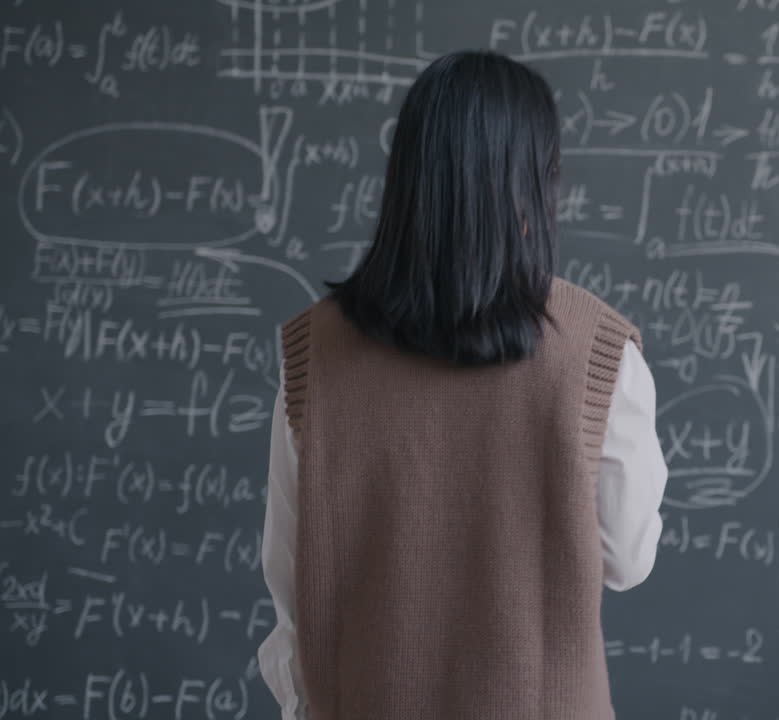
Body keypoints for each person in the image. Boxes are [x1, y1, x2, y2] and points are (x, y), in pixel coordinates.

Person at [256, 50, 668, 719]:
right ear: (536, 181)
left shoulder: (315, 350)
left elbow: (290, 576)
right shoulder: (599, 351)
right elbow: (626, 561)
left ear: (409, 178)